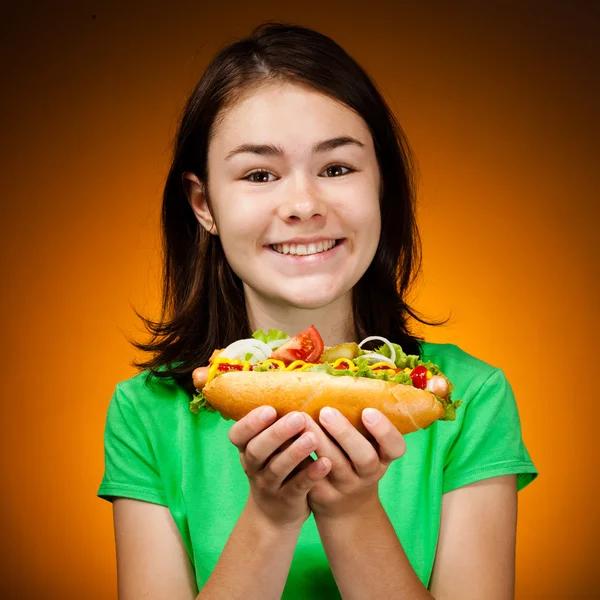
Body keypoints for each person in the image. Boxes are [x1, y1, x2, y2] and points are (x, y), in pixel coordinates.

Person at [98, 22, 538, 599]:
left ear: (381, 183)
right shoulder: (146, 412)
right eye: (260, 174)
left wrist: (351, 511)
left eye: (336, 168)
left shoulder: (469, 396)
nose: (304, 204)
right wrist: (271, 516)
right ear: (204, 203)